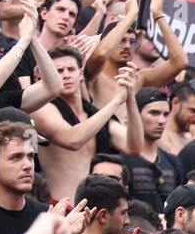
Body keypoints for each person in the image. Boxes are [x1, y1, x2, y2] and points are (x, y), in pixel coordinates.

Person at [30, 47, 142, 202]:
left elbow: (134, 146)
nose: (66, 75)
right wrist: (116, 101)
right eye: (59, 71)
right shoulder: (40, 107)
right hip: (61, 206)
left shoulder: (92, 114)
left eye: (71, 69)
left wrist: (129, 96)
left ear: (80, 73)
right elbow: (72, 139)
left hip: (95, 207)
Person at [121, 86, 182, 214]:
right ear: (136, 114)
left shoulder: (174, 162)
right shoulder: (120, 159)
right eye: (154, 113)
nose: (161, 121)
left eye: (166, 114)